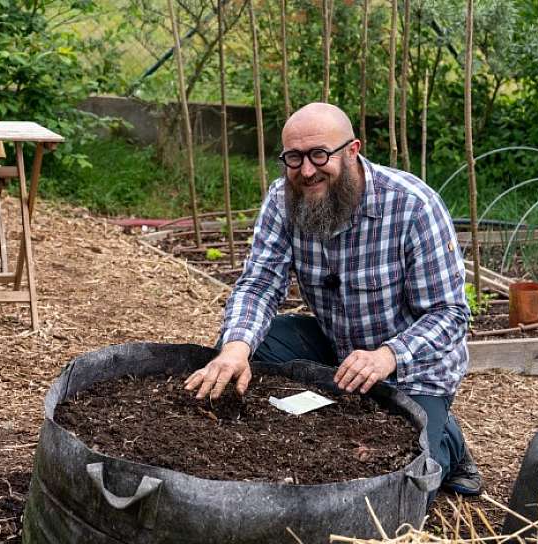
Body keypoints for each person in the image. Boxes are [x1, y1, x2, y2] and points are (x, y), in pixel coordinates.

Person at [184, 102, 482, 497]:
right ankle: (322, 411)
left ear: (352, 150)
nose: (306, 171)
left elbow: (451, 314)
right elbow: (258, 284)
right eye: (294, 158)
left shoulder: (412, 206)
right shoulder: (283, 200)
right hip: (337, 346)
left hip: (411, 366)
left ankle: (448, 442)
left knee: (402, 484)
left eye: (319, 155)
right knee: (247, 348)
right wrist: (235, 348)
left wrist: (386, 356)